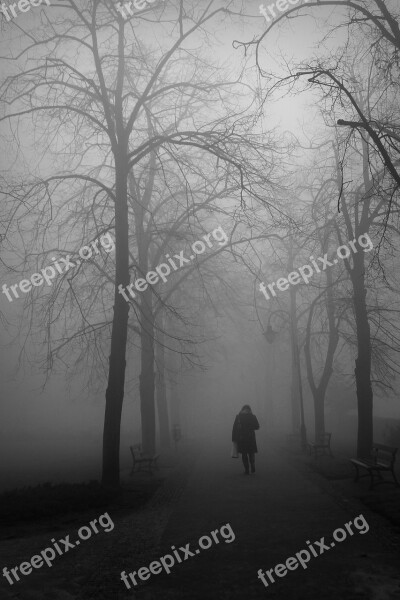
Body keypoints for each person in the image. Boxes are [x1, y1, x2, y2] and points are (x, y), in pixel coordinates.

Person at [232, 405, 260, 475]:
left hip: (242, 438)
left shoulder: (238, 417)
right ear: (249, 410)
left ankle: (247, 470)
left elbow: (234, 428)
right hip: (251, 437)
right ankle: (252, 465)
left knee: (244, 454)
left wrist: (234, 438)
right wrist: (250, 427)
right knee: (251, 453)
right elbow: (257, 427)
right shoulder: (253, 416)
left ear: (242, 410)